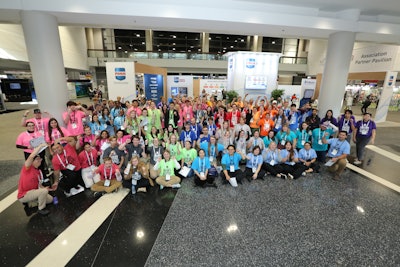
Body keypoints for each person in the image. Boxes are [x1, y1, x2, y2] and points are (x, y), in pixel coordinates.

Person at [17, 144, 53, 216]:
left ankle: (32, 202)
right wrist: (39, 146)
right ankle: (41, 209)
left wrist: (46, 189)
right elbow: (31, 156)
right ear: (32, 162)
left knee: (50, 199)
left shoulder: (38, 172)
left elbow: (39, 184)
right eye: (37, 159)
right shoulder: (27, 168)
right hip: (24, 194)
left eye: (40, 159)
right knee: (43, 192)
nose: (40, 160)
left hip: (33, 192)